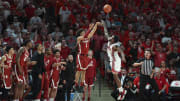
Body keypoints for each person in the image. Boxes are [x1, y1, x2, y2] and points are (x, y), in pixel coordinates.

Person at [102, 20, 126, 100]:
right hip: (112, 61)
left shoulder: (114, 46)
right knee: (115, 77)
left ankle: (121, 91)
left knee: (115, 76)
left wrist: (123, 56)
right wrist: (104, 25)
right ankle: (121, 90)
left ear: (113, 40)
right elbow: (106, 33)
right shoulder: (109, 41)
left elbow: (121, 50)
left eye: (112, 37)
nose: (110, 37)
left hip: (116, 61)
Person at [74, 22, 101, 90]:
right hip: (80, 56)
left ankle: (82, 84)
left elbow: (92, 32)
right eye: (82, 32)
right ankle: (76, 84)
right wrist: (89, 28)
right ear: (80, 33)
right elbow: (85, 36)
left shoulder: (87, 37)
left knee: (84, 71)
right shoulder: (79, 38)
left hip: (86, 56)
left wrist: (96, 25)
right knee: (79, 70)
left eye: (84, 32)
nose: (83, 33)